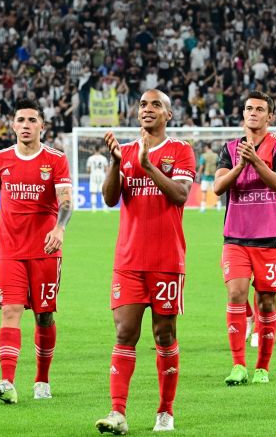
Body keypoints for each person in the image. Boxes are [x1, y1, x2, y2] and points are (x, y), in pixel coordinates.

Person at [95, 89, 195, 434]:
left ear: (168, 114)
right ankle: (118, 413)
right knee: (124, 332)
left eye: (156, 105)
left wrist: (148, 166)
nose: (147, 109)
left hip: (167, 260)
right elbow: (110, 199)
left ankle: (165, 411)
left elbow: (181, 195)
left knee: (164, 334)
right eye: (142, 104)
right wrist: (114, 162)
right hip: (129, 259)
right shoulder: (125, 152)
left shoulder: (181, 150)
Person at [0, 99, 73, 404]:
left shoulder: (56, 159)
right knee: (10, 311)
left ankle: (42, 379)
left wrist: (59, 228)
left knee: (44, 316)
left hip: (45, 250)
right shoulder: (1, 160)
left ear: (41, 126)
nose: (26, 125)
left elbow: (65, 201)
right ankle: (7, 381)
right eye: (20, 120)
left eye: (31, 120)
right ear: (13, 125)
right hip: (9, 251)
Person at [214, 90, 276, 386]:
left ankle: (263, 367)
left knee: (267, 303)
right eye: (249, 108)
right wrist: (240, 165)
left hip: (270, 239)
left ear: (269, 116)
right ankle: (238, 365)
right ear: (243, 113)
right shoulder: (230, 148)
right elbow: (219, 186)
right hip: (235, 237)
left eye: (260, 109)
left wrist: (257, 162)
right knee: (235, 294)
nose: (253, 113)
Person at [198, 143, 220, 212]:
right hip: (214, 176)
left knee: (204, 192)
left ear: (207, 147)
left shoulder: (203, 156)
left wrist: (199, 173)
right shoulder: (216, 155)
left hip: (206, 176)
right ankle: (219, 207)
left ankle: (203, 208)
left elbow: (201, 166)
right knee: (217, 192)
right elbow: (218, 165)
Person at [87, 146, 109, 211]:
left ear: (94, 150)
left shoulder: (90, 158)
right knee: (103, 192)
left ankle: (94, 208)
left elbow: (88, 170)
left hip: (93, 175)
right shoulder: (104, 158)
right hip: (102, 175)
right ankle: (104, 208)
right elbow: (106, 169)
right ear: (100, 150)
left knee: (93, 192)